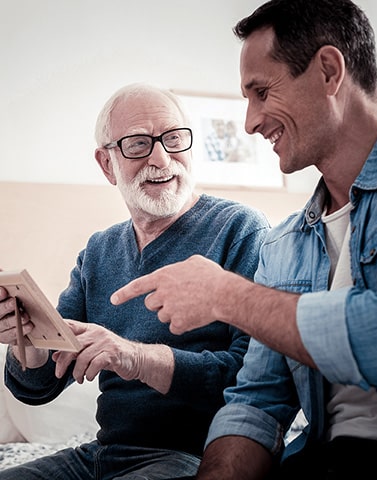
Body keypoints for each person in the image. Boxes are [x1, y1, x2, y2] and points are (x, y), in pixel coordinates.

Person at [110, 1, 377, 479]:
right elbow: (257, 403)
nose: (250, 121)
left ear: (328, 71)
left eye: (262, 92)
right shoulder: (283, 243)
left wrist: (222, 293)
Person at [0, 83, 270, 479]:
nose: (161, 158)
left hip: (191, 457)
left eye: (174, 139)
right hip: (103, 454)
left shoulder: (240, 230)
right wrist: (27, 340)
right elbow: (39, 385)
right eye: (138, 144)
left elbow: (252, 378)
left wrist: (135, 358)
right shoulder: (98, 251)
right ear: (107, 164)